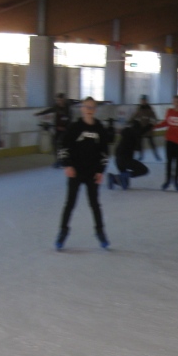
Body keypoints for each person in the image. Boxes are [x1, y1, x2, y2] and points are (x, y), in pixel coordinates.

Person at [55, 97, 112, 250]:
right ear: (82, 108)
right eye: (87, 107)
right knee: (70, 203)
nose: (89, 110)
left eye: (92, 107)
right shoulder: (75, 127)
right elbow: (63, 146)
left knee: (95, 204)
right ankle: (63, 232)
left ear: (95, 110)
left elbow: (105, 152)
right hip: (76, 172)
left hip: (92, 173)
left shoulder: (99, 127)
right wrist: (67, 165)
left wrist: (101, 171)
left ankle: (100, 232)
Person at [154, 95, 178, 192]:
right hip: (169, 141)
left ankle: (176, 182)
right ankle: (167, 181)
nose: (176, 103)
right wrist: (154, 126)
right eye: (175, 102)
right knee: (169, 162)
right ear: (173, 103)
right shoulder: (170, 112)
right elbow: (166, 123)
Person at [109, 119, 150, 190]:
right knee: (144, 170)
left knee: (125, 185)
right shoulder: (133, 135)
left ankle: (115, 177)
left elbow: (116, 151)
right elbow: (140, 136)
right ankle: (119, 176)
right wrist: (150, 125)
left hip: (118, 161)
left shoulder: (125, 135)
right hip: (126, 160)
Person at [35, 93, 73, 167]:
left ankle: (64, 160)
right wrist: (39, 114)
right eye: (57, 100)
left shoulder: (68, 108)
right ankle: (58, 160)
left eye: (60, 100)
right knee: (55, 143)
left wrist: (65, 128)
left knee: (63, 144)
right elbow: (49, 110)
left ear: (63, 100)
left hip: (65, 130)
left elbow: (69, 120)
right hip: (57, 129)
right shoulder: (56, 107)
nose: (59, 102)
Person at [131, 95, 162, 162]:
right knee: (140, 143)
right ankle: (141, 156)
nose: (143, 101)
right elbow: (134, 116)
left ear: (146, 101)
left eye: (144, 100)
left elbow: (154, 117)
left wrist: (151, 124)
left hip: (148, 129)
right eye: (142, 100)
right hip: (141, 129)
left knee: (152, 143)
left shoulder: (149, 109)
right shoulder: (139, 108)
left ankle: (157, 155)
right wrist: (130, 121)